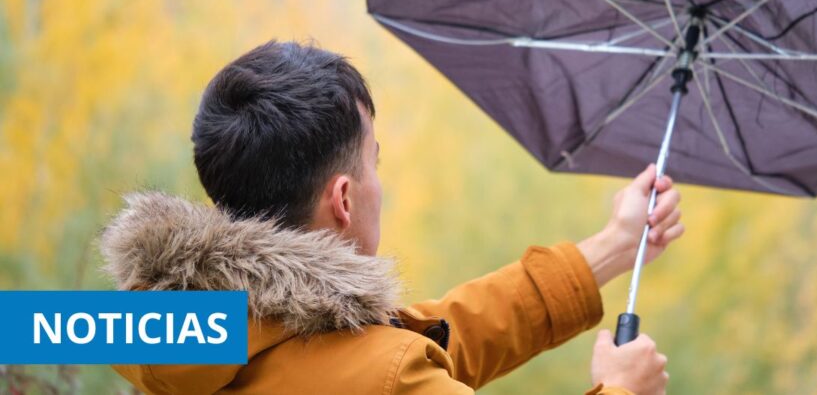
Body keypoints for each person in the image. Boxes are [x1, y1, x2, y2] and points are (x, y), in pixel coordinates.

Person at [101, 41, 684, 394]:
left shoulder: (166, 337)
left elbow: (440, 331)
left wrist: (615, 244)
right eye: (375, 163)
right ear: (345, 200)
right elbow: (386, 366)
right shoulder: (387, 376)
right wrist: (623, 387)